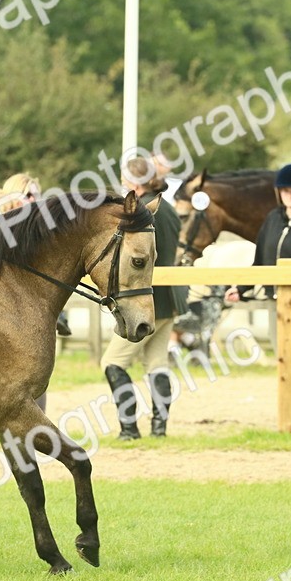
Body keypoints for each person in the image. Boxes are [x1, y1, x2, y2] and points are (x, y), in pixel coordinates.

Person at [225, 162, 291, 435]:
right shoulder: (273, 220)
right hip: (277, 299)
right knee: (284, 356)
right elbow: (261, 262)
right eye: (286, 189)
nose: (290, 194)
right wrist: (242, 288)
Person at [101, 155, 190, 439]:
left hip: (146, 297)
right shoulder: (169, 207)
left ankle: (129, 429)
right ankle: (159, 429)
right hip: (170, 298)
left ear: (136, 183)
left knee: (113, 362)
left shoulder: (143, 211)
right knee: (156, 364)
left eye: (126, 180)